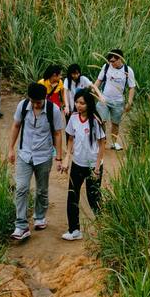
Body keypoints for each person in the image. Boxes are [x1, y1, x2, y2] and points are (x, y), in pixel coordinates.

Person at [9, 82, 64, 241]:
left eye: (38, 102)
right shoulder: (23, 105)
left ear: (44, 99)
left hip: (44, 156)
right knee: (21, 188)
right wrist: (11, 149)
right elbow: (16, 125)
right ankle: (21, 226)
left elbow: (58, 134)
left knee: (41, 190)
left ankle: (39, 216)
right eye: (33, 101)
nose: (35, 105)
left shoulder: (53, 110)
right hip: (24, 154)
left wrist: (58, 157)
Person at [61, 88, 105, 241]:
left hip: (93, 165)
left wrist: (97, 167)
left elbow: (102, 144)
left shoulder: (95, 120)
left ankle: (105, 228)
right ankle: (74, 230)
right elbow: (71, 138)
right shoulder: (73, 118)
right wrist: (67, 157)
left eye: (82, 103)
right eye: (77, 102)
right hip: (77, 164)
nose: (79, 105)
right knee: (72, 195)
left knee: (93, 197)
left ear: (89, 104)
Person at [95, 49, 136, 150]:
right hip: (104, 99)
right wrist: (96, 93)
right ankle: (102, 140)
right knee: (101, 120)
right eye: (110, 61)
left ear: (120, 59)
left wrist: (129, 102)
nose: (111, 63)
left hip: (118, 101)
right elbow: (99, 81)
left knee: (115, 123)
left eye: (113, 61)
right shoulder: (106, 67)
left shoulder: (128, 70)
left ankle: (114, 143)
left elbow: (132, 87)